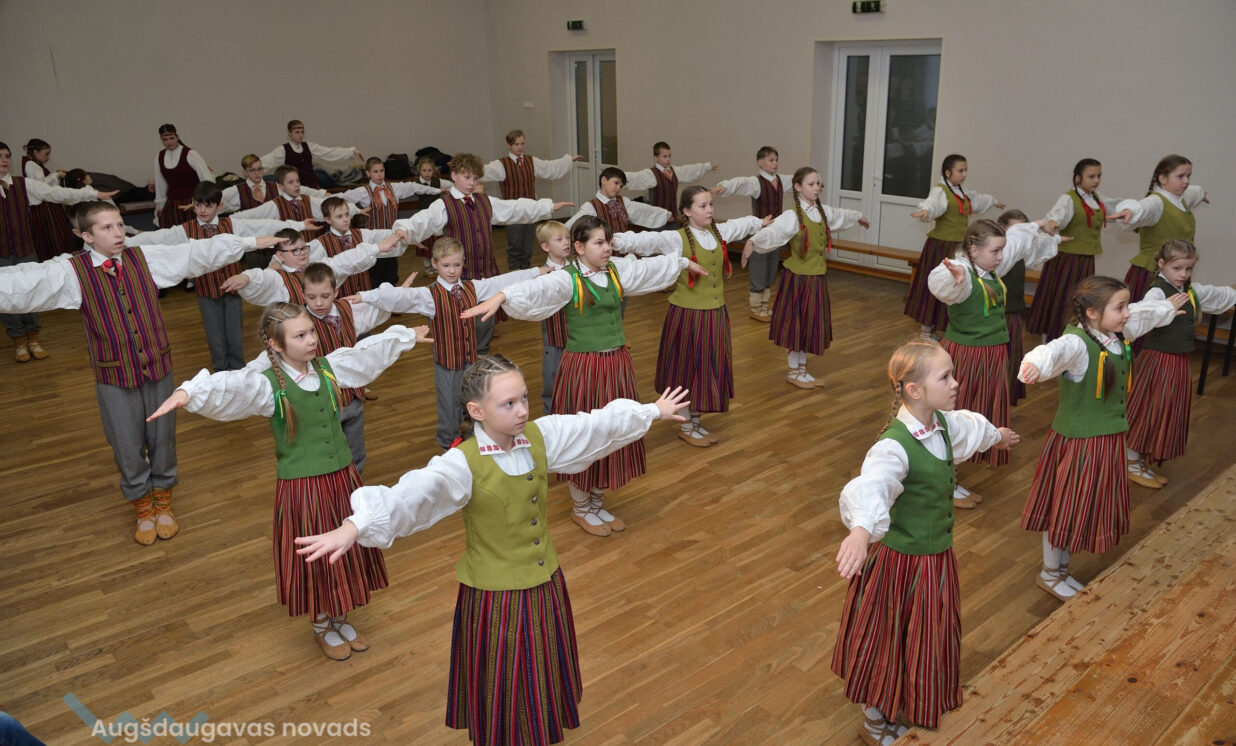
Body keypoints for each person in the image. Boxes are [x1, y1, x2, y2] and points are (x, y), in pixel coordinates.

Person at [293, 354, 691, 742]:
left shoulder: (540, 436)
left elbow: (593, 427)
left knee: (540, 673)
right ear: (477, 411)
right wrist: (355, 525)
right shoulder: (461, 463)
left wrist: (651, 412)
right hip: (495, 598)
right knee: (503, 682)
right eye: (508, 403)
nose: (522, 410)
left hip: (545, 585)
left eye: (524, 398)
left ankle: (536, 731)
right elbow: (413, 493)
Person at [147, 305, 430, 660]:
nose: (311, 340)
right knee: (318, 555)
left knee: (347, 547)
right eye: (300, 335)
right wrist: (189, 393)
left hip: (343, 478)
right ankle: (322, 623)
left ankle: (340, 616)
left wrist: (405, 336)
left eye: (311, 332)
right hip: (304, 488)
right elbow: (230, 386)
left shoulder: (329, 368)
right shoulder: (267, 386)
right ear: (276, 345)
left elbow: (364, 356)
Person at [0, 201, 283, 543]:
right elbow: (21, 283)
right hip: (114, 375)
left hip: (158, 366)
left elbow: (194, 253)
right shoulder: (70, 272)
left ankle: (163, 498)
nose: (118, 233)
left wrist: (250, 243)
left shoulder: (143, 258)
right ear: (85, 235)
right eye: (107, 228)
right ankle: (141, 504)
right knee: (126, 441)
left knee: (163, 436)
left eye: (120, 225)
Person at [462, 215, 706, 536]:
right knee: (585, 435)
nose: (607, 248)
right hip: (584, 369)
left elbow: (648, 269)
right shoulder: (568, 279)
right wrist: (501, 297)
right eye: (599, 243)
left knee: (614, 431)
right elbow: (537, 288)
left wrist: (683, 262)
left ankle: (597, 502)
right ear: (579, 247)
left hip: (617, 366)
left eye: (608, 242)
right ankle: (581, 507)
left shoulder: (616, 271)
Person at [833, 339, 1017, 743]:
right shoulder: (893, 446)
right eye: (945, 377)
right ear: (914, 390)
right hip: (900, 565)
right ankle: (874, 721)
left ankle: (901, 704)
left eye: (952, 374)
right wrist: (861, 530)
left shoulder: (943, 425)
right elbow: (874, 484)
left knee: (922, 637)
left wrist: (996, 435)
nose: (956, 383)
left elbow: (971, 428)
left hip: (935, 562)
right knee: (887, 640)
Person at [1018, 276, 1187, 600]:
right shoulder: (1077, 343)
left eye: (1125, 306)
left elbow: (1141, 315)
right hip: (1080, 444)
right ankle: (1050, 573)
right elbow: (1051, 351)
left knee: (1077, 506)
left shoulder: (1115, 334)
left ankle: (1060, 568)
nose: (1126, 313)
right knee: (1064, 507)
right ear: (1093, 313)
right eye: (1119, 307)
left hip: (1105, 442)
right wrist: (1034, 365)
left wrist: (1165, 307)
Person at [608, 185, 767, 445]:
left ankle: (695, 422)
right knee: (686, 369)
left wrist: (760, 222)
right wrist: (617, 240)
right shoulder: (676, 238)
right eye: (703, 206)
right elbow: (647, 241)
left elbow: (739, 225)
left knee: (706, 369)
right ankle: (686, 424)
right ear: (687, 211)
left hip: (715, 314)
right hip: (688, 316)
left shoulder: (718, 232)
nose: (710, 210)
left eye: (711, 205)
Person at [351, 237, 543, 449]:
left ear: (463, 263)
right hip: (447, 366)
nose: (452, 271)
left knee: (473, 402)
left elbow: (501, 282)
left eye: (457, 265)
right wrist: (364, 296)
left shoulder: (472, 287)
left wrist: (536, 272)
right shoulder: (429, 295)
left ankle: (472, 442)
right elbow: (398, 296)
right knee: (449, 410)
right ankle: (448, 446)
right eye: (446, 265)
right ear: (434, 263)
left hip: (471, 363)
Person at [927, 218, 1059, 506]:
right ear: (973, 250)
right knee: (957, 416)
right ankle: (945, 484)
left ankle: (952, 475)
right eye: (995, 251)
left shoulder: (988, 268)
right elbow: (942, 284)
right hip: (967, 356)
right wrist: (952, 277)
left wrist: (1039, 224)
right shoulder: (962, 273)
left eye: (1001, 250)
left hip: (989, 356)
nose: (1001, 257)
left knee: (974, 412)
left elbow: (1018, 239)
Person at [126, 181, 307, 371]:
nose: (203, 210)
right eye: (198, 205)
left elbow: (261, 225)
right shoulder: (185, 229)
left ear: (219, 206)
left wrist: (299, 224)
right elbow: (158, 237)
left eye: (208, 205)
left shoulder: (231, 224)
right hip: (206, 292)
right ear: (193, 204)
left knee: (234, 333)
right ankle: (220, 369)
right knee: (214, 336)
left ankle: (238, 369)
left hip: (233, 291)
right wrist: (127, 242)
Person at [743, 166, 869, 388]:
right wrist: (753, 242)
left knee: (809, 326)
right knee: (796, 327)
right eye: (811, 184)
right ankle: (793, 371)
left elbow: (840, 215)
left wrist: (858, 217)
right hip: (799, 280)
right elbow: (774, 232)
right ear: (798, 187)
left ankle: (802, 370)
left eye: (818, 183)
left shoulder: (822, 211)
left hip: (816, 279)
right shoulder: (792, 216)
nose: (816, 187)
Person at [1125, 239, 1236, 485]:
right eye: (1177, 268)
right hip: (1158, 360)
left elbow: (1219, 295)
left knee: (1164, 408)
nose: (1183, 274)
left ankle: (1138, 456)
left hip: (1178, 361)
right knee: (1147, 408)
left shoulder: (1190, 290)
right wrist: (1163, 309)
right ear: (1161, 264)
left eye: (1188, 268)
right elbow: (1140, 315)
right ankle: (1130, 460)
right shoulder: (1157, 292)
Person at [0, 142, 108, 362]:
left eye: (7, 156)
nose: (4, 160)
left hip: (24, 248)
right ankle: (18, 341)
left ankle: (33, 339)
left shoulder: (23, 184)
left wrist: (93, 193)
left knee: (30, 291)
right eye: (0, 156)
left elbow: (56, 193)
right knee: (5, 296)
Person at [905, 154, 1003, 338]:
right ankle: (925, 331)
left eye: (966, 170)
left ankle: (943, 328)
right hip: (940, 247)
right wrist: (925, 211)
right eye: (960, 170)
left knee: (955, 287)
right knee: (938, 284)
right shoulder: (940, 191)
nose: (964, 174)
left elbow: (978, 200)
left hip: (957, 247)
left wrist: (993, 201)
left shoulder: (961, 192)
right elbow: (932, 204)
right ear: (948, 172)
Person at [1026, 158, 1122, 341]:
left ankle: (1073, 337)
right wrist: (1052, 224)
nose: (1096, 180)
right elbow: (1055, 218)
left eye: (1099, 176)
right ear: (1078, 178)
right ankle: (1051, 339)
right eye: (1091, 176)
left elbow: (1116, 207)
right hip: (1066, 261)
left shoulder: (1097, 199)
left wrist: (1135, 210)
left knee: (1080, 299)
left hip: (1085, 260)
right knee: (1061, 299)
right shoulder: (1068, 199)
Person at [1109, 154, 1209, 301]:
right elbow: (1143, 208)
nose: (1186, 181)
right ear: (1163, 179)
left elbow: (1194, 193)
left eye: (1188, 176)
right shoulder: (1156, 203)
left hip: (1175, 273)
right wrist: (1129, 210)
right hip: (1153, 274)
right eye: (1181, 176)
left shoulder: (1182, 199)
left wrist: (1201, 195)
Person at [712, 145, 793, 321]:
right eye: (771, 160)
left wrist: (814, 182)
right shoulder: (756, 183)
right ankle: (755, 308)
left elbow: (798, 180)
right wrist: (724, 186)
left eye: (776, 160)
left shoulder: (782, 181)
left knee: (771, 269)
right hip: (759, 233)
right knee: (758, 269)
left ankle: (764, 305)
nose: (775, 163)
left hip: (775, 234)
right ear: (759, 162)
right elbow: (740, 183)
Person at [481, 129, 582, 269]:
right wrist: (462, 169)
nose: (520, 147)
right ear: (509, 145)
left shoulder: (531, 161)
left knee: (528, 241)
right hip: (512, 211)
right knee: (515, 242)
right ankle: (514, 268)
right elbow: (483, 171)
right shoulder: (501, 165)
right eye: (516, 144)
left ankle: (526, 267)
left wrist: (569, 160)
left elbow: (550, 167)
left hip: (532, 210)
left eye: (522, 144)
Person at [338, 157, 443, 286]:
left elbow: (415, 187)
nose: (379, 174)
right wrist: (357, 210)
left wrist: (438, 190)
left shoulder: (394, 188)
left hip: (393, 238)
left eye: (382, 171)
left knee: (392, 274)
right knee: (376, 274)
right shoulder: (362, 192)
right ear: (368, 173)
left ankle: (392, 293)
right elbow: (341, 199)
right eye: (375, 171)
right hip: (374, 241)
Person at [621, 141, 716, 228]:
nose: (668, 159)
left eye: (669, 156)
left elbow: (688, 170)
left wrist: (706, 167)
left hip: (673, 218)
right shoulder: (651, 174)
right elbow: (634, 178)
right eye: (664, 156)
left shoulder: (674, 171)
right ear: (656, 158)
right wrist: (616, 176)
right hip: (658, 221)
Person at [259, 119, 362, 190]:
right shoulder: (283, 150)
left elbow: (327, 152)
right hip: (295, 187)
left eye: (302, 132)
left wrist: (351, 151)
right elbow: (268, 161)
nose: (300, 135)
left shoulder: (308, 146)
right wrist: (253, 169)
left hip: (313, 185)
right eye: (297, 132)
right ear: (290, 133)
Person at [564, 167, 670, 233]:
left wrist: (665, 215)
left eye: (621, 186)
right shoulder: (591, 206)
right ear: (604, 180)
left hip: (623, 250)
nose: (619, 188)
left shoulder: (623, 201)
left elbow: (642, 211)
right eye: (616, 183)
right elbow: (570, 225)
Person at [21, 138, 76, 260]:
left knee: (56, 235)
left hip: (48, 205)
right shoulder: (30, 165)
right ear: (36, 152)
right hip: (45, 208)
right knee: (52, 236)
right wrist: (56, 174)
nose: (48, 157)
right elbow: (40, 185)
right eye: (46, 154)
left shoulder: (34, 164)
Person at [152, 124, 212, 228]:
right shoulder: (160, 156)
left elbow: (207, 180)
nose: (169, 142)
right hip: (172, 204)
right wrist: (160, 205)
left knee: (195, 231)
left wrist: (205, 203)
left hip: (192, 203)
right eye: (165, 139)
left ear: (177, 137)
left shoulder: (191, 154)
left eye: (171, 138)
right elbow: (160, 183)